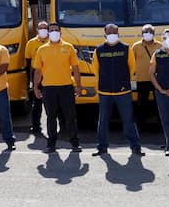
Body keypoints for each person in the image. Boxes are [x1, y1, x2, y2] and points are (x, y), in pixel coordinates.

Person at [91, 24, 144, 157]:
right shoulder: (99, 50)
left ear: (118, 33)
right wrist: (104, 81)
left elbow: (132, 67)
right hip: (104, 92)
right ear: (104, 35)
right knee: (103, 121)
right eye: (109, 33)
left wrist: (123, 81)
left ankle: (135, 146)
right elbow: (95, 69)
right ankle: (102, 147)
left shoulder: (126, 48)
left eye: (114, 32)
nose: (112, 34)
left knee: (128, 121)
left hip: (123, 92)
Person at [33, 23, 82, 153]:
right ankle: (51, 144)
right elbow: (38, 70)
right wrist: (36, 87)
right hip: (48, 88)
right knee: (51, 117)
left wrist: (78, 85)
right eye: (51, 30)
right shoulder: (42, 49)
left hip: (66, 87)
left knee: (70, 116)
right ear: (48, 33)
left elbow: (76, 68)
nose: (54, 32)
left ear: (60, 32)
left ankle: (75, 143)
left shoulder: (68, 47)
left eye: (56, 30)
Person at [132, 24, 164, 133]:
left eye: (150, 32)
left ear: (154, 34)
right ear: (142, 34)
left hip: (157, 79)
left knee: (159, 103)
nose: (148, 34)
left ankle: (161, 125)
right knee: (142, 103)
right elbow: (132, 61)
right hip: (141, 79)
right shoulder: (136, 46)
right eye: (146, 32)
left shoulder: (160, 46)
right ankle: (141, 126)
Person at [25, 21, 50, 135]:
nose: (43, 30)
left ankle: (59, 125)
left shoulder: (53, 41)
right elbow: (28, 63)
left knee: (53, 102)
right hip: (37, 74)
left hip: (51, 73)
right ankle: (35, 126)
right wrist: (30, 80)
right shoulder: (31, 43)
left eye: (45, 28)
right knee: (37, 102)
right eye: (41, 28)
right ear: (37, 30)